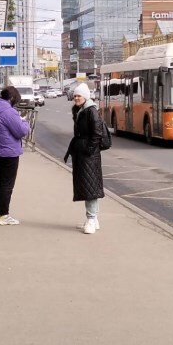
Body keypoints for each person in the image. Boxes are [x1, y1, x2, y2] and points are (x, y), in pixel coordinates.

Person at [0, 85, 31, 226]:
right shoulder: (8, 112)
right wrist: (25, 122)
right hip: (9, 152)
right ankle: (3, 214)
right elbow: (21, 131)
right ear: (11, 98)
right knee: (7, 184)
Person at [63, 82, 105, 234]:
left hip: (89, 155)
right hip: (84, 154)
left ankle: (91, 219)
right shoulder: (81, 110)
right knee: (88, 185)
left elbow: (97, 133)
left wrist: (88, 151)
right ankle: (94, 219)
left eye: (78, 96)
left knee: (90, 187)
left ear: (85, 96)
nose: (76, 98)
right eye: (74, 96)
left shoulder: (91, 111)